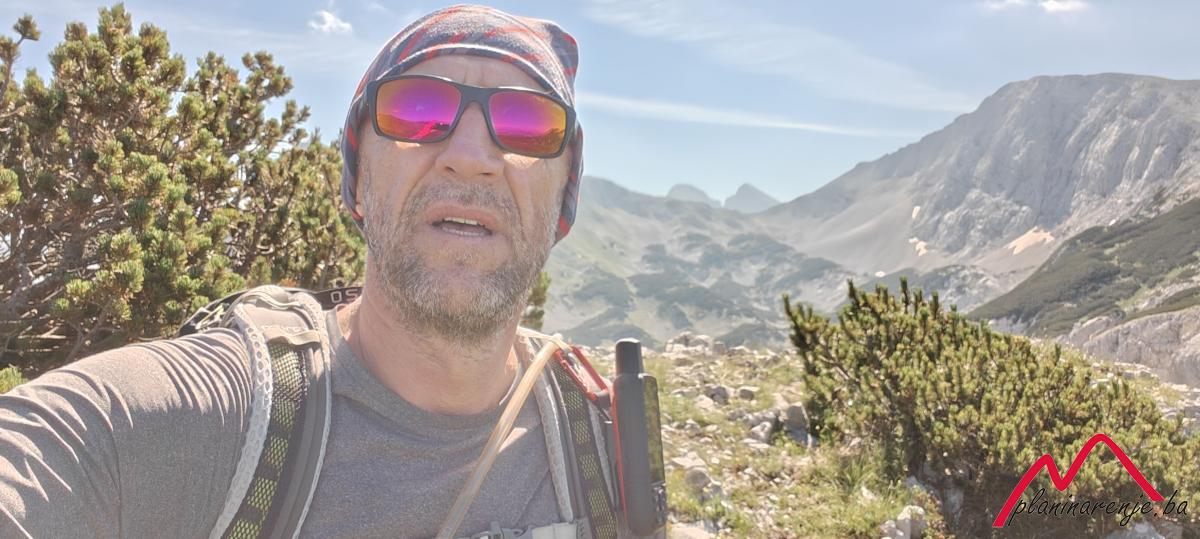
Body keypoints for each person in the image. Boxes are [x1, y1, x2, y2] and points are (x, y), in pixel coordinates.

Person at [0, 4, 649, 538]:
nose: (471, 154)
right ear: (359, 178)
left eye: (527, 123)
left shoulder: (601, 443)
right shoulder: (212, 420)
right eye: (418, 109)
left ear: (563, 198)